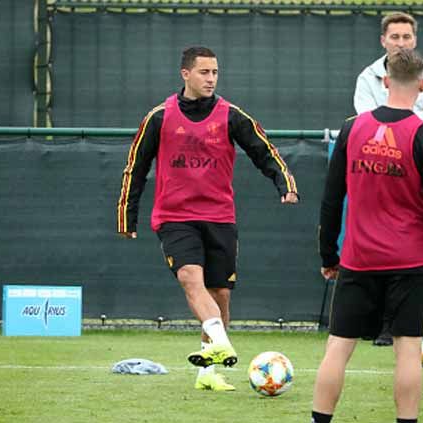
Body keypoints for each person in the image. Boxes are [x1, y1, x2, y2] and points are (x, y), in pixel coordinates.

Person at [311, 48, 423, 423]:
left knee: (337, 348)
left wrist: (328, 256)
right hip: (411, 262)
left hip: (357, 259)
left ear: (385, 82)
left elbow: (330, 198)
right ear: (422, 86)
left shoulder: (352, 127)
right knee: (407, 352)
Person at [116, 46, 299, 391]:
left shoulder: (231, 115)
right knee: (190, 279)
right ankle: (222, 342)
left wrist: (284, 182)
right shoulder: (159, 117)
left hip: (219, 216)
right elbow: (135, 168)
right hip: (175, 216)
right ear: (185, 74)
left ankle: (208, 373)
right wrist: (127, 215)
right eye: (204, 72)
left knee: (220, 294)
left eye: (215, 72)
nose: (211, 78)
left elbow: (264, 150)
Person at [354, 11, 423, 347]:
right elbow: (364, 121)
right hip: (380, 173)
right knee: (383, 248)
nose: (400, 43)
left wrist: (400, 115)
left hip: (421, 169)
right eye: (394, 37)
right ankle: (386, 325)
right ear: (383, 40)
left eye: (406, 37)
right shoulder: (367, 76)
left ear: (415, 39)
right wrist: (422, 114)